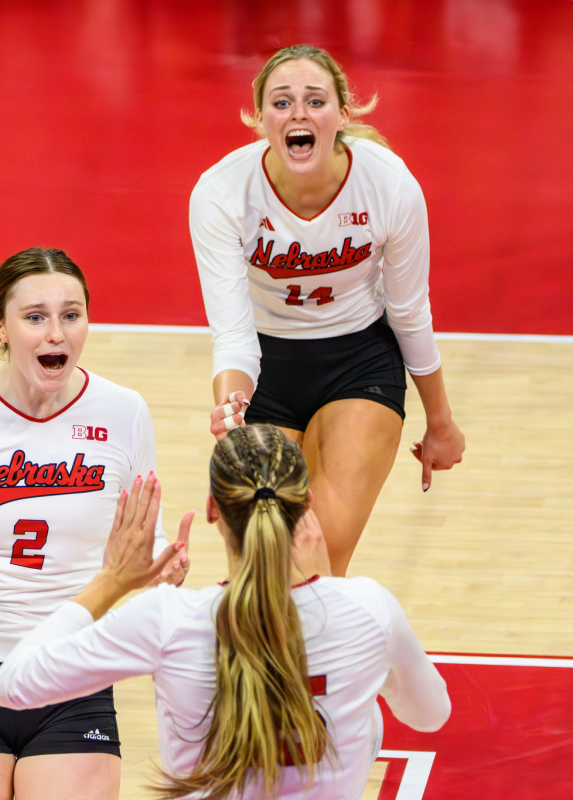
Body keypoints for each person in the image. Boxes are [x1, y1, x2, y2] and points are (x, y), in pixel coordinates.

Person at [0, 247, 191, 800]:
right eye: (35, 317)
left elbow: (148, 538)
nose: (56, 334)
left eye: (71, 315)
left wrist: (160, 568)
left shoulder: (124, 412)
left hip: (71, 672)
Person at [0, 424, 451, 799]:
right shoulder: (369, 609)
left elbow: (12, 684)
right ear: (306, 505)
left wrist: (111, 581)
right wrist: (326, 589)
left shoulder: (165, 620)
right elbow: (431, 714)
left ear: (214, 510)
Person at [189, 43, 464, 575]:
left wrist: (441, 421)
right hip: (265, 369)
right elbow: (232, 332)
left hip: (359, 364)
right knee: (262, 566)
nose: (298, 114)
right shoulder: (220, 193)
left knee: (317, 566)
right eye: (282, 102)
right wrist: (232, 419)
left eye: (315, 101)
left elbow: (409, 311)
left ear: (342, 112)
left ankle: (324, 659)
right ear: (260, 117)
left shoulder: (389, 184)